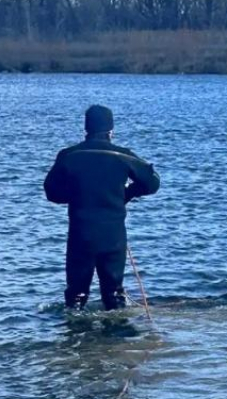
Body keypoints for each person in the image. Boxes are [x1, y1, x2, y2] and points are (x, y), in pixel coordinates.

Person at [44, 105, 160, 310]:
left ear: (86, 129)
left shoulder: (68, 155)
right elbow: (152, 183)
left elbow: (51, 192)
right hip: (113, 235)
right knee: (114, 294)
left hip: (81, 234)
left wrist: (77, 195)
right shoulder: (124, 156)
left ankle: (75, 336)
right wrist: (126, 194)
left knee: (77, 295)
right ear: (111, 131)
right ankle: (117, 337)